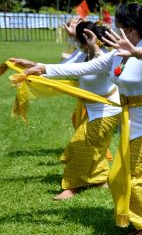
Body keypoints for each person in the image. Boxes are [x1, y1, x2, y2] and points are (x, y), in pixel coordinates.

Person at [23, 4, 142, 235]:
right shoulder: (114, 54)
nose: (112, 29)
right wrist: (42, 68)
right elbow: (85, 67)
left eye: (118, 26)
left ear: (130, 29)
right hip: (131, 120)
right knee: (120, 175)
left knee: (133, 176)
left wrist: (136, 52)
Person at [12, 20, 120, 201]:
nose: (76, 44)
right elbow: (65, 66)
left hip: (107, 108)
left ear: (88, 40)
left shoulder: (106, 57)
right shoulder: (83, 53)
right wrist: (32, 64)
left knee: (81, 144)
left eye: (79, 40)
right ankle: (99, 179)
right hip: (93, 108)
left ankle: (72, 186)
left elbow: (85, 67)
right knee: (95, 146)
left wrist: (94, 47)